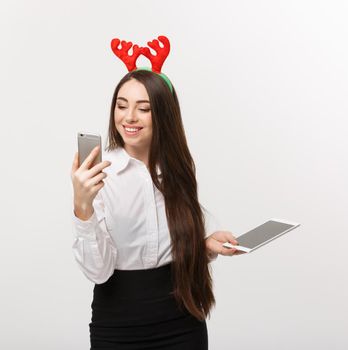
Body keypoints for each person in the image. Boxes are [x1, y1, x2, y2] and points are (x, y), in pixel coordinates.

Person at [70, 36, 243, 350]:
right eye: (121, 106)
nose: (129, 117)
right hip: (118, 323)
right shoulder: (100, 175)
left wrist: (205, 245)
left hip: (182, 320)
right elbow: (98, 270)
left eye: (143, 108)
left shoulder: (178, 169)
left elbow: (169, 246)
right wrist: (83, 207)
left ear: (163, 114)